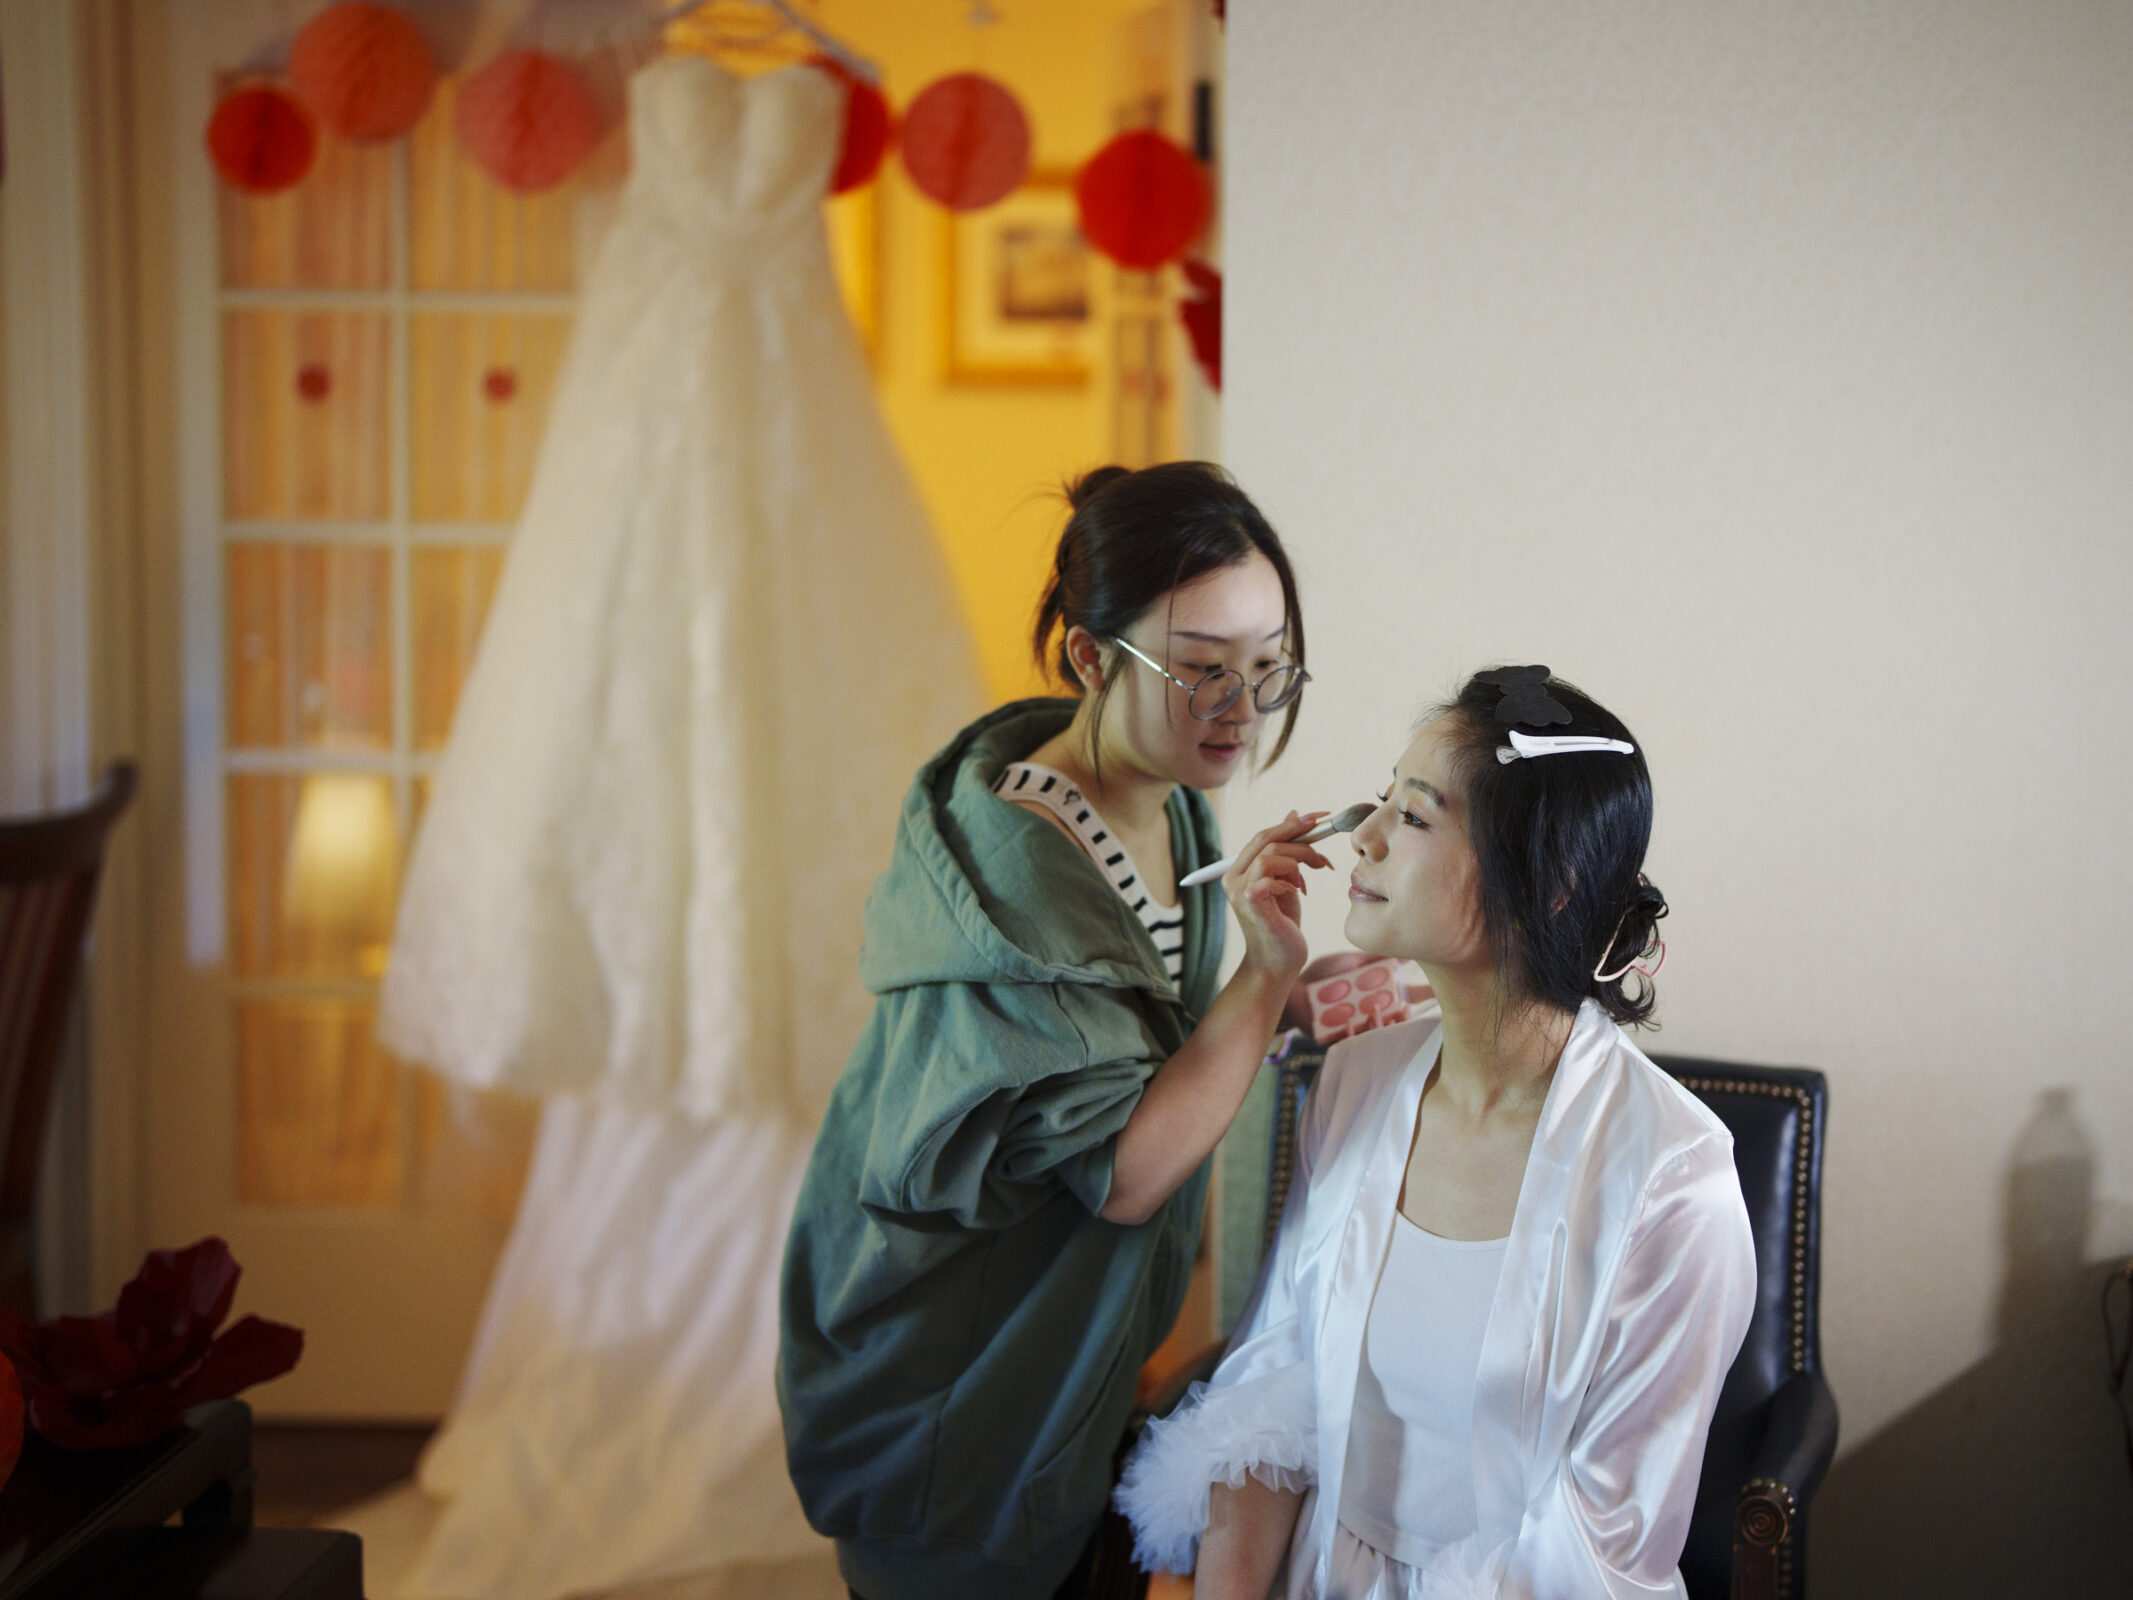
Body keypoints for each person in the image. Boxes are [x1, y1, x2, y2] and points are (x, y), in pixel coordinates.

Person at [778, 460, 1352, 1600]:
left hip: (1061, 1365)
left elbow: (1150, 1049)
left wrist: (1287, 997)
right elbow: (1128, 1168)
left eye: (1269, 668)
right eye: (1199, 672)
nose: (1239, 710)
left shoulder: (1170, 797)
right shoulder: (1021, 882)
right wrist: (1262, 977)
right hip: (958, 1388)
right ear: (1090, 658)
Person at [1116, 667, 1758, 1600]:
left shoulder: (1671, 1180)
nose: (1360, 838)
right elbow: (1275, 1383)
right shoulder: (1354, 1083)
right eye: (1380, 802)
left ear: (1545, 884)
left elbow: (1599, 1547)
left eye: (1413, 818)